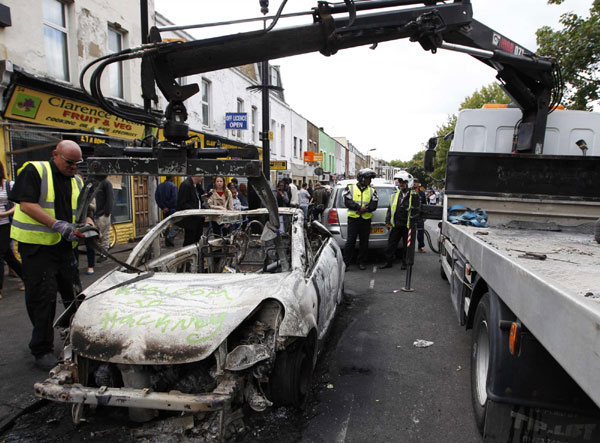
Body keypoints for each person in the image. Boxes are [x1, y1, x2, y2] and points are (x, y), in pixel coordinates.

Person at [9, 140, 89, 370]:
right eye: (70, 162)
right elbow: (26, 205)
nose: (74, 167)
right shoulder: (35, 171)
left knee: (73, 295)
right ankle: (41, 349)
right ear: (55, 154)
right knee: (42, 298)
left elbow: (85, 209)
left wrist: (88, 224)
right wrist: (57, 225)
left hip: (64, 248)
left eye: (78, 163)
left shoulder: (76, 180)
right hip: (38, 248)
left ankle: (77, 337)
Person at [379, 171, 421, 270]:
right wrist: (387, 221)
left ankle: (405, 263)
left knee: (407, 247)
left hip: (407, 225)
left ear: (408, 183)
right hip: (396, 224)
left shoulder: (414, 195)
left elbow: (417, 210)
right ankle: (388, 262)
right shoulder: (395, 195)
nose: (401, 184)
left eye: (403, 182)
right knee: (391, 245)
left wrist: (414, 222)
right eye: (400, 182)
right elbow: (390, 209)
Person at [343, 168, 378, 270]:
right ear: (361, 178)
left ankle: (361, 262)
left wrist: (365, 209)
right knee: (350, 242)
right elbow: (348, 202)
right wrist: (358, 208)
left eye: (370, 179)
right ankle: (346, 263)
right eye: (367, 178)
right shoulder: (350, 188)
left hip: (366, 220)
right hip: (353, 219)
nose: (369, 181)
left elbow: (374, 204)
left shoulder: (372, 190)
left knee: (364, 242)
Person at [0, 161, 24, 299]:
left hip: (5, 224)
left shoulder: (9, 185)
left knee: (0, 255)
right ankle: (26, 277)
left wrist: (5, 214)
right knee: (8, 256)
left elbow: (19, 204)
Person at [176, 175, 205, 246]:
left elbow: (196, 200)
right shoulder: (186, 185)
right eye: (202, 176)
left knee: (197, 239)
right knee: (190, 241)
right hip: (191, 219)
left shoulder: (196, 186)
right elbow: (182, 203)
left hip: (198, 218)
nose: (203, 178)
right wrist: (196, 211)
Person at [155, 176, 179, 247]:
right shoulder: (173, 186)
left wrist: (163, 207)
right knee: (177, 223)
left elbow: (157, 198)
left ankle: (167, 243)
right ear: (171, 178)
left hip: (164, 210)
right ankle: (170, 237)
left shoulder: (160, 186)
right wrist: (168, 207)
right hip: (172, 208)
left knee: (166, 225)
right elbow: (175, 199)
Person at [94, 175, 113, 262]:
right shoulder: (95, 183)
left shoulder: (106, 183)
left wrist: (107, 212)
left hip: (102, 214)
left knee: (104, 235)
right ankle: (102, 253)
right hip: (96, 214)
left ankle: (104, 254)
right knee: (98, 236)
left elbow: (110, 198)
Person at [413, 179, 427, 253]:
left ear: (419, 184)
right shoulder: (410, 192)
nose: (415, 183)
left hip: (420, 216)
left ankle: (421, 246)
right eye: (413, 182)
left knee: (420, 232)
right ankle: (409, 247)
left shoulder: (422, 193)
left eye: (416, 182)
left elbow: (425, 205)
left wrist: (425, 215)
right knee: (410, 232)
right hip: (411, 216)